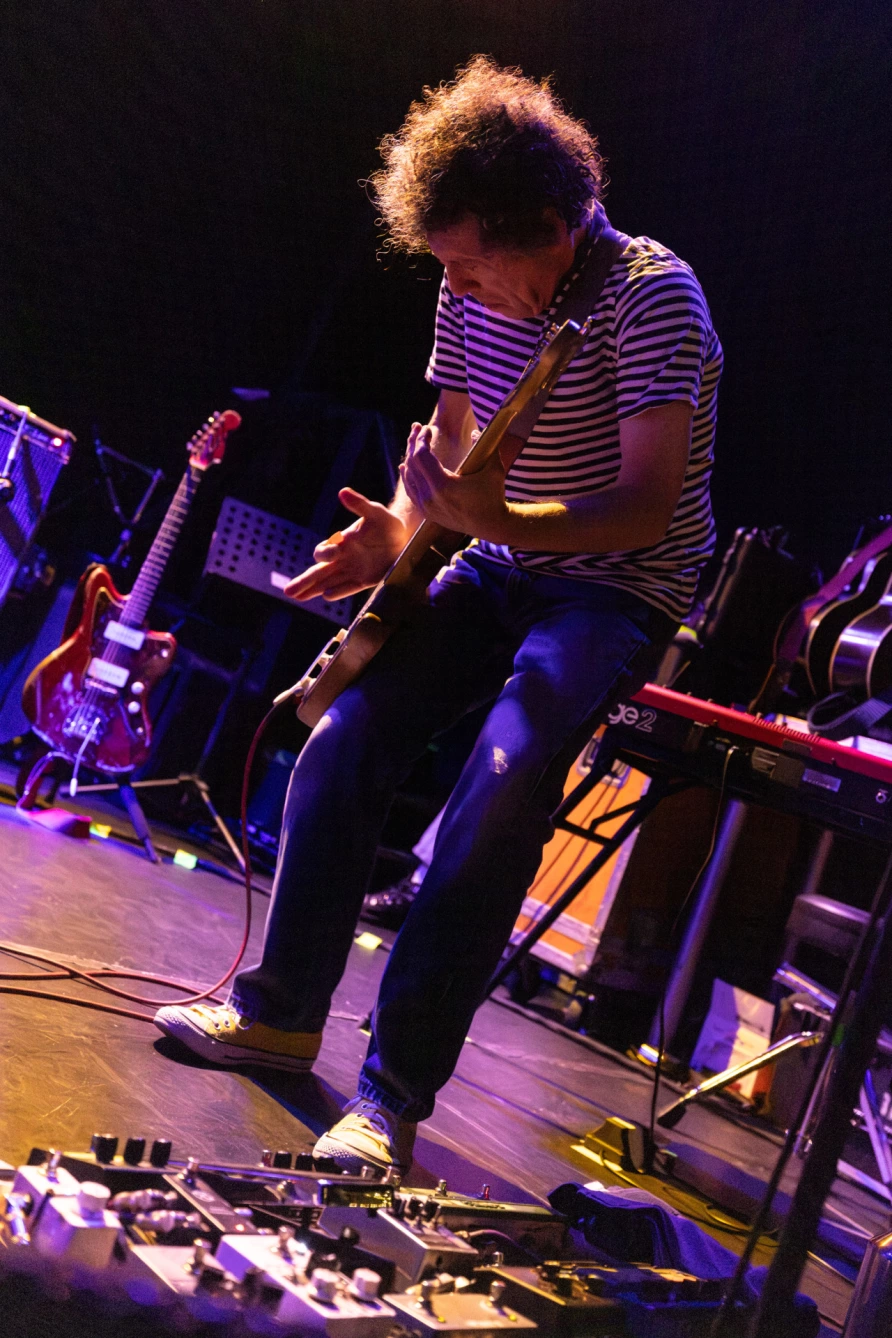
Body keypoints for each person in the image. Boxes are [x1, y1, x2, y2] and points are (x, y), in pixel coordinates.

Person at [155, 56, 722, 1174]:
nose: (453, 289)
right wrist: (399, 534)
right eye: (442, 267)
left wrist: (482, 512)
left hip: (615, 591)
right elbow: (450, 453)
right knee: (342, 738)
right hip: (500, 557)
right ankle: (279, 1015)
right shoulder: (469, 288)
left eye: (468, 264)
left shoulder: (652, 295)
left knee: (497, 798)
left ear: (548, 227)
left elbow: (647, 504)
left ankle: (390, 1095)